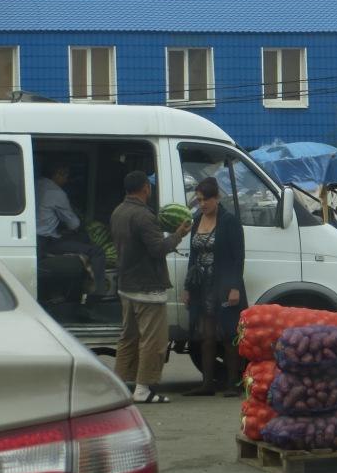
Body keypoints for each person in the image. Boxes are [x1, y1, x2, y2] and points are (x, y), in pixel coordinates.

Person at [111, 170, 191, 404]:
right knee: (153, 340)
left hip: (126, 285)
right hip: (146, 287)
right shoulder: (144, 216)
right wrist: (178, 234)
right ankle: (143, 389)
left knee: (128, 337)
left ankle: (120, 385)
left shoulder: (119, 211)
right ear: (145, 187)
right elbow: (158, 249)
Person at [183, 177, 246, 397]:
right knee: (206, 336)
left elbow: (238, 257)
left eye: (206, 200)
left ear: (217, 198)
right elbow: (193, 256)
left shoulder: (229, 221)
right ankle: (207, 383)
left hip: (225, 285)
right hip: (202, 286)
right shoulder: (197, 219)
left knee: (229, 335)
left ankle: (233, 383)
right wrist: (187, 288)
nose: (202, 204)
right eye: (199, 200)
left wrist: (235, 287)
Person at [36, 161, 107, 298]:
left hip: (37, 240)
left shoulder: (36, 183)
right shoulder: (56, 192)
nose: (67, 180)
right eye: (66, 176)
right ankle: (97, 295)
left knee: (79, 239)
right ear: (58, 174)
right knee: (96, 251)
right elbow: (73, 224)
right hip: (46, 242)